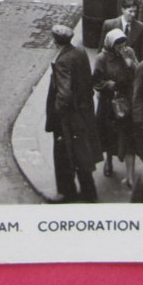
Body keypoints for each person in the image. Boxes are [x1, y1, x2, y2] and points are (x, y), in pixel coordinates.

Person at [45, 24, 102, 203]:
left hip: (68, 118)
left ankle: (66, 192)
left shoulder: (62, 61)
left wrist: (58, 113)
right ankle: (89, 193)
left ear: (55, 42)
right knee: (82, 154)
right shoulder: (80, 51)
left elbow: (65, 93)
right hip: (84, 113)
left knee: (63, 154)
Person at [92, 29, 140, 186]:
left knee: (129, 138)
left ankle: (131, 176)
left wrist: (130, 63)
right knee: (108, 136)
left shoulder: (129, 52)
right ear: (111, 44)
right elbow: (96, 81)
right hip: (109, 103)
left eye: (123, 43)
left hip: (127, 100)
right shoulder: (101, 58)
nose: (122, 47)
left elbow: (139, 72)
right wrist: (108, 85)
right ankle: (108, 161)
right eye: (118, 44)